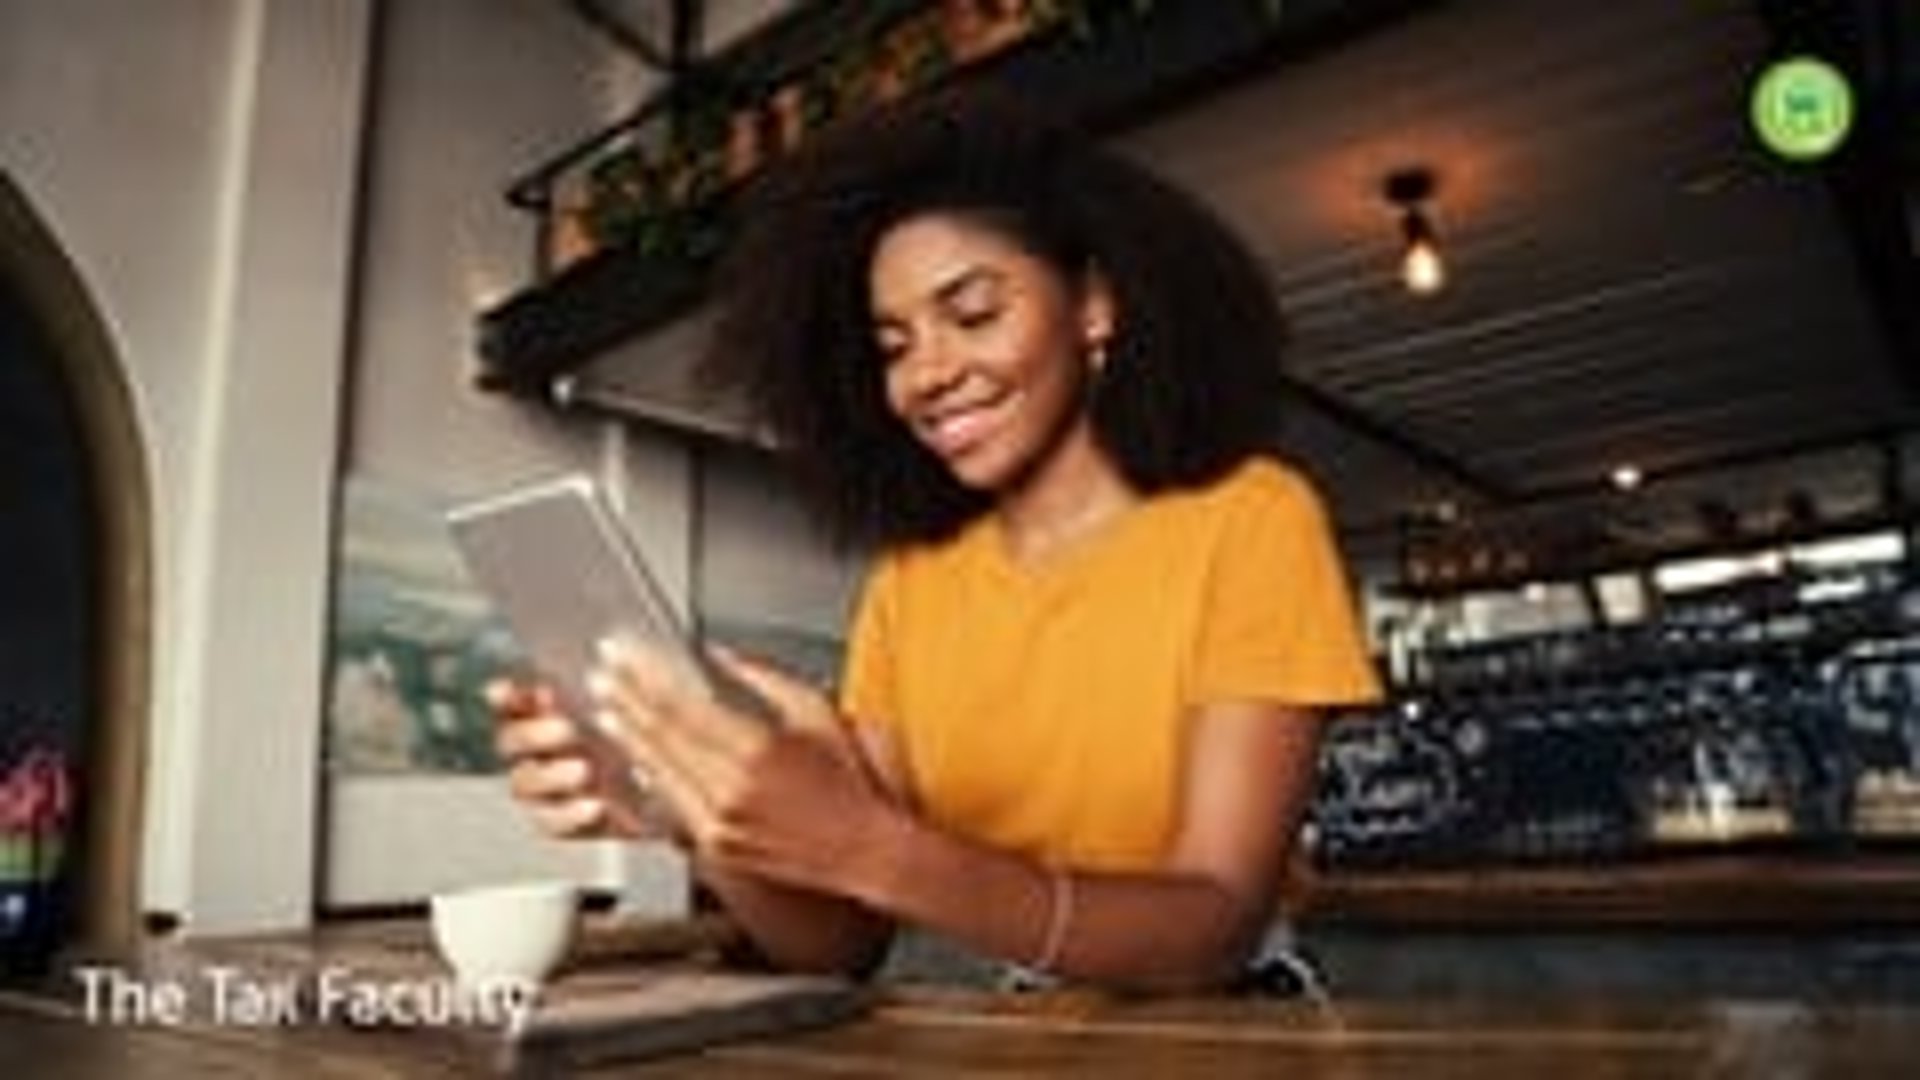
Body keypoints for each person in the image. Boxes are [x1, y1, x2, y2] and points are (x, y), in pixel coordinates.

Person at [490, 91, 1380, 993]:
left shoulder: (1253, 520)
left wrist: (874, 847)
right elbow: (842, 944)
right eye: (893, 345)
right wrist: (699, 809)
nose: (927, 374)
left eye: (974, 312)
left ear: (1095, 308)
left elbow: (1212, 927)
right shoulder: (912, 584)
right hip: (1018, 1041)